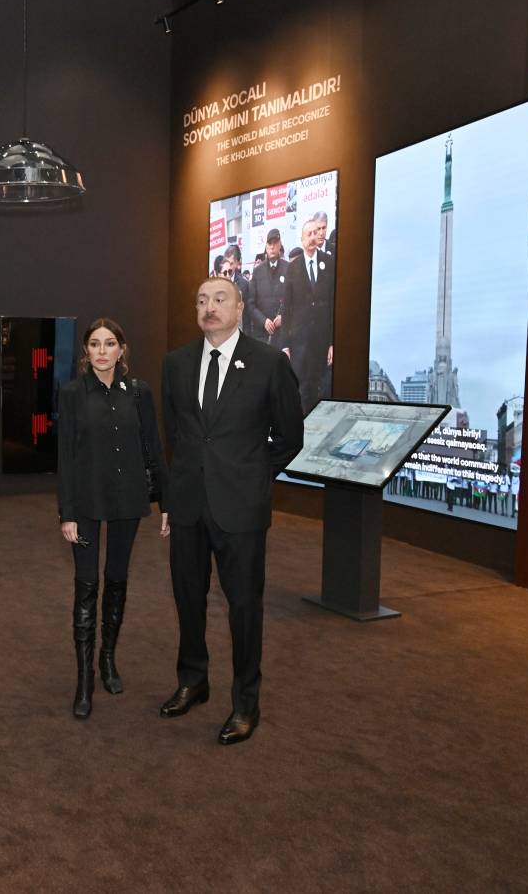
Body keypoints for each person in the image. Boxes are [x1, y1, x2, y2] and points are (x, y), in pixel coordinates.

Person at [159, 277, 303, 745]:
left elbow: (290, 437)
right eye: (202, 300)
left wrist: (254, 476)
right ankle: (193, 680)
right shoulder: (176, 363)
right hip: (188, 504)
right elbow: (176, 434)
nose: (210, 306)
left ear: (241, 308)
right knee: (188, 598)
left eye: (220, 299)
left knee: (243, 606)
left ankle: (245, 703)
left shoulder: (268, 363)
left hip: (240, 508)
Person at [57, 318, 168, 719]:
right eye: (94, 344)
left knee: (117, 579)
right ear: (86, 351)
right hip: (86, 502)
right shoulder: (72, 394)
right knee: (87, 586)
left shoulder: (139, 392)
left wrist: (166, 500)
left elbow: (153, 447)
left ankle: (107, 660)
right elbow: (66, 457)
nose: (102, 351)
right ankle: (84, 679)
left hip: (127, 500)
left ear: (122, 349)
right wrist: (67, 513)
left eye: (109, 344)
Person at [280, 216, 336, 414]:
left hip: (321, 344)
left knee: (322, 393)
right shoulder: (292, 268)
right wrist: (285, 345)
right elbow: (286, 308)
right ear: (302, 239)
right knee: (302, 392)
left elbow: (333, 305)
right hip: (300, 345)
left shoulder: (329, 263)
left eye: (315, 232)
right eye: (309, 234)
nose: (313, 237)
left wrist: (332, 342)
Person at [249, 227, 287, 345]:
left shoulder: (289, 269)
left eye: (275, 243)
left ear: (280, 245)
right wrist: (263, 321)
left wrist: (284, 317)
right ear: (266, 246)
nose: (272, 247)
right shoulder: (257, 271)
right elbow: (250, 304)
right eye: (269, 243)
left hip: (283, 336)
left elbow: (295, 301)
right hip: (261, 336)